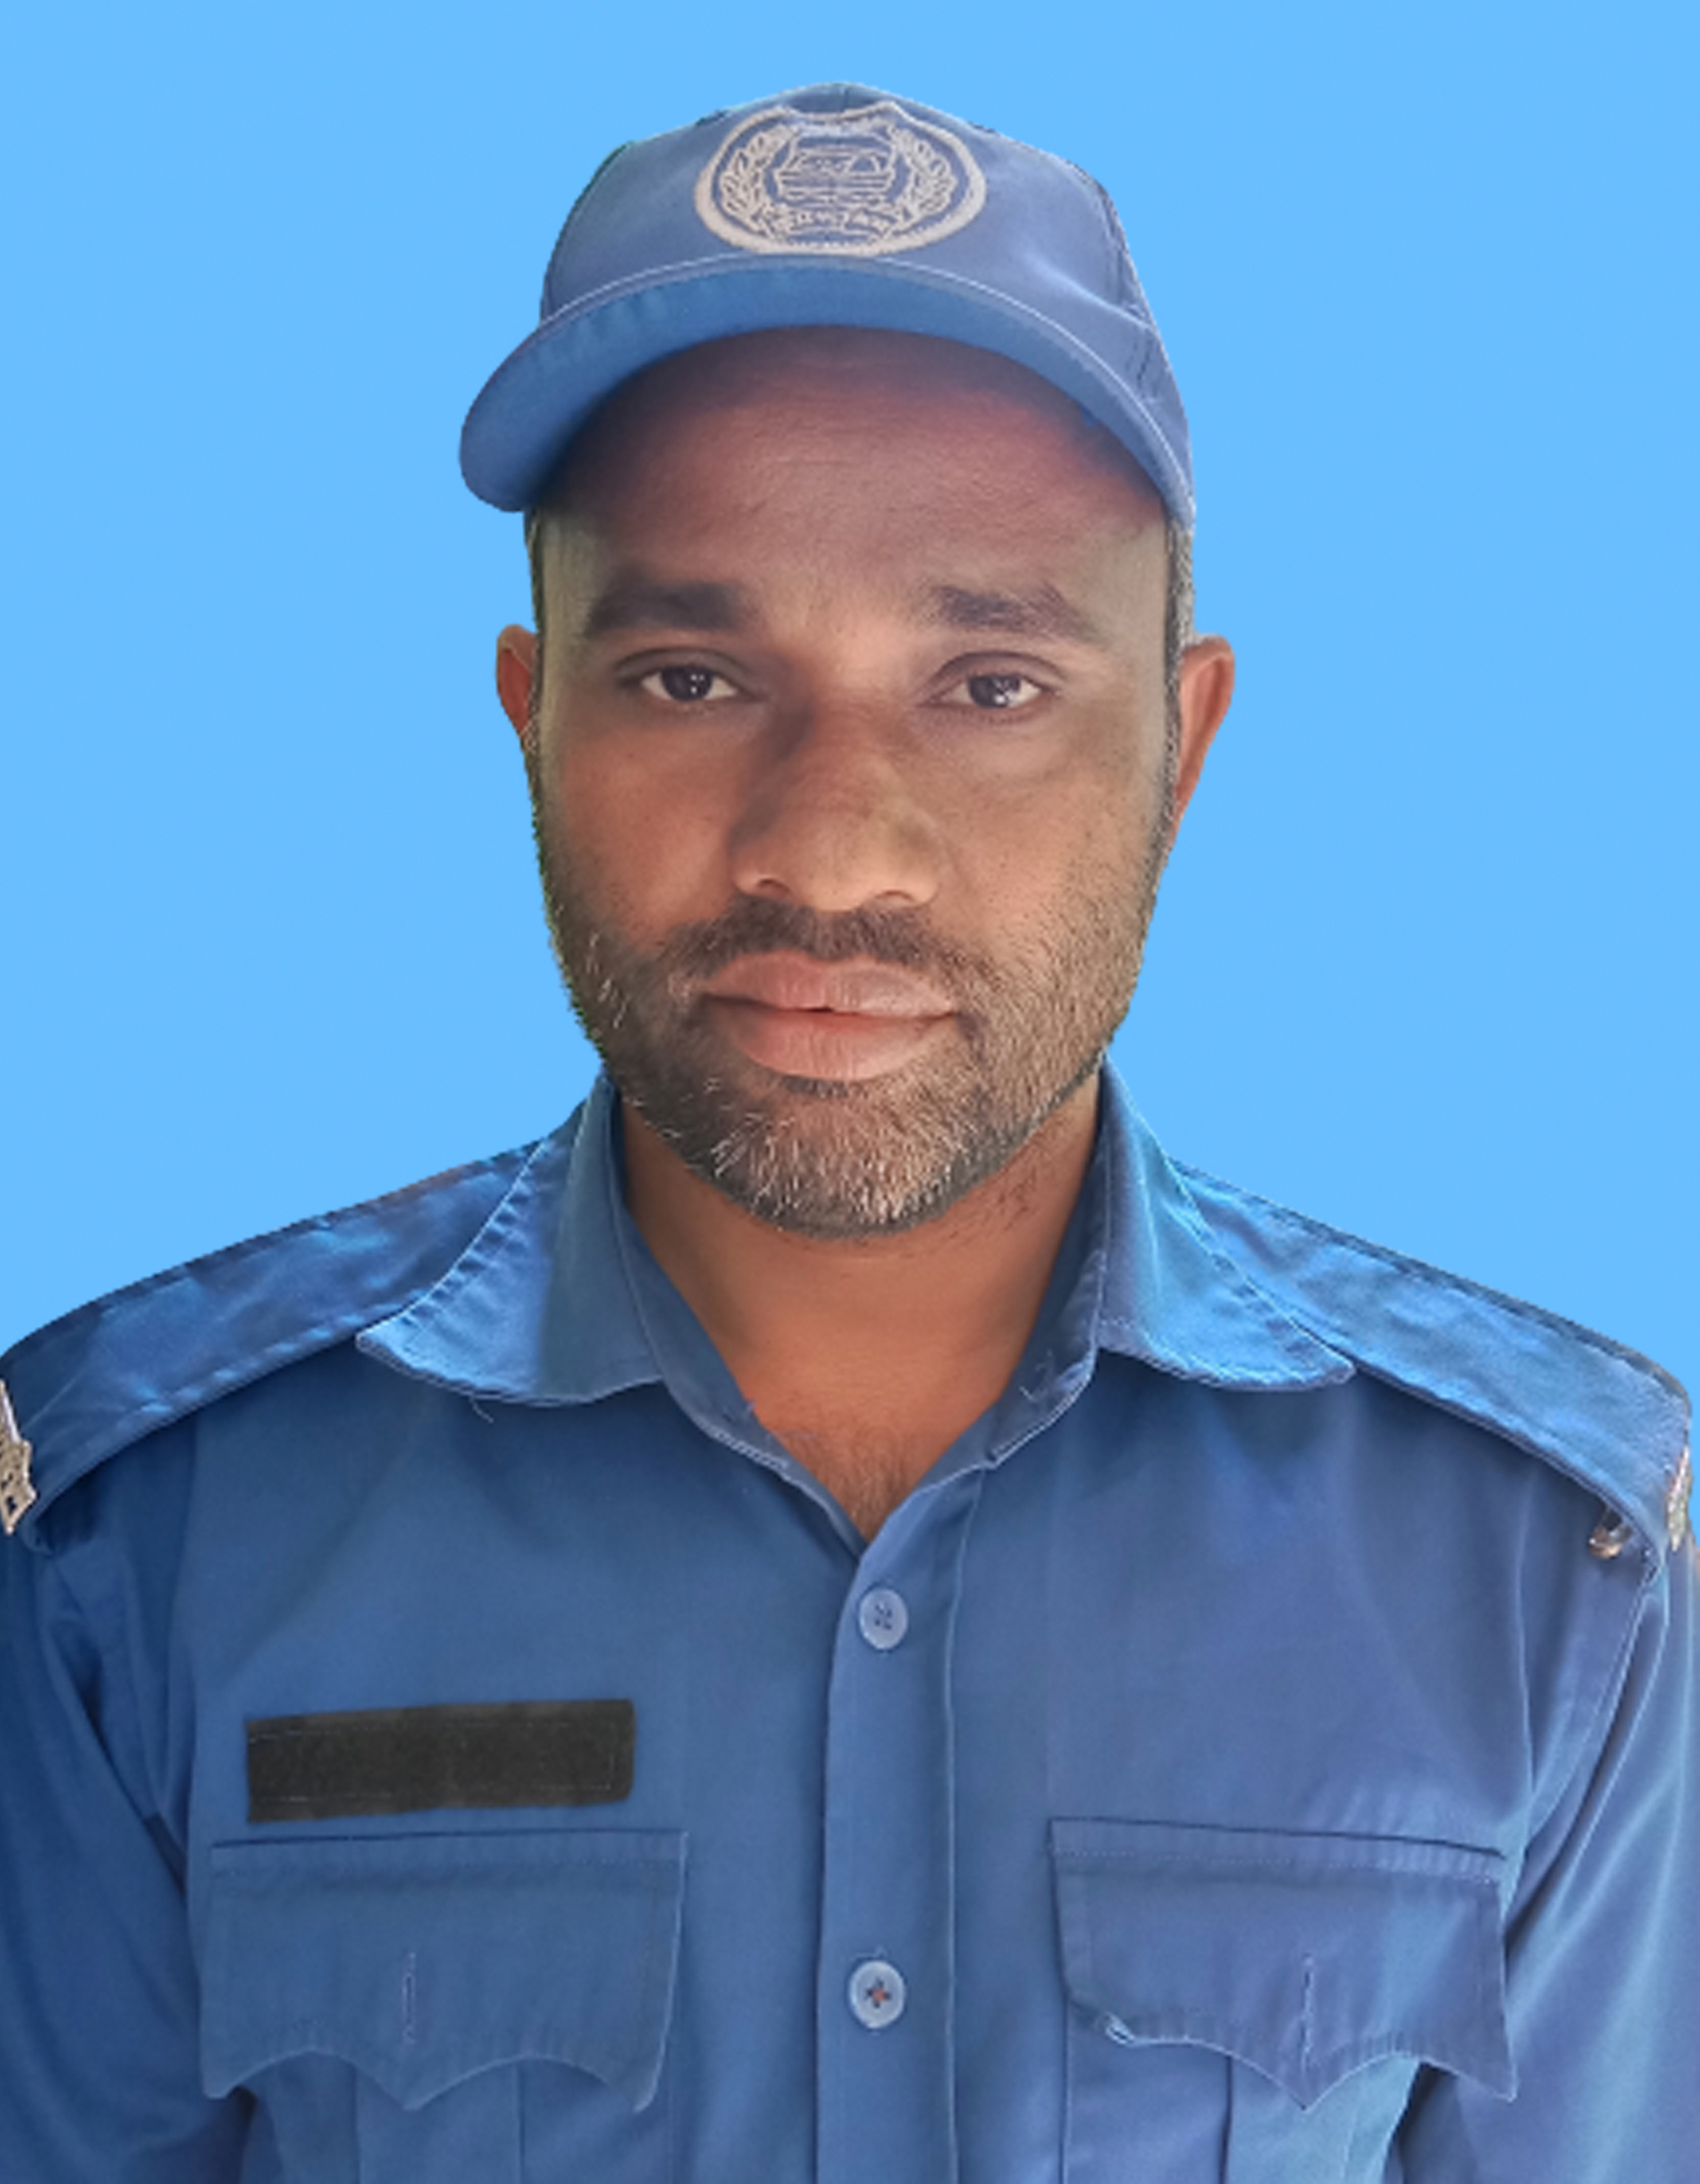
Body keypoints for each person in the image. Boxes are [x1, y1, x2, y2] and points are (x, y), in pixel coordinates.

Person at [0, 82, 1692, 2183]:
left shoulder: (1536, 1567)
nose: (827, 850)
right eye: (691, 678)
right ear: (533, 715)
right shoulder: (142, 1539)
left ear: (1178, 747)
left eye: (986, 685)